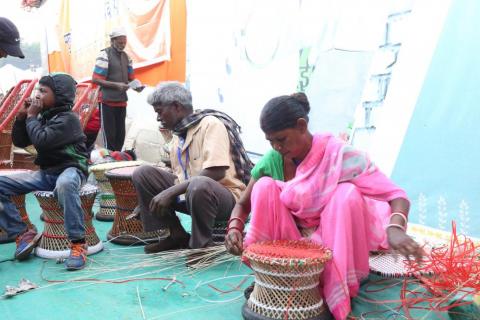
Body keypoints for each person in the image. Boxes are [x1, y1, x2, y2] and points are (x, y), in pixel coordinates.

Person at [225, 93, 423, 320]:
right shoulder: (274, 159)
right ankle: (273, 275)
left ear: (302, 126)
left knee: (345, 194)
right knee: (264, 187)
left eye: (282, 139)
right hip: (291, 248)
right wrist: (234, 230)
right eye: (271, 142)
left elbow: (395, 195)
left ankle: (333, 286)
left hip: (332, 250)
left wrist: (395, 228)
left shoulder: (338, 155)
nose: (277, 147)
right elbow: (244, 203)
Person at [132, 81, 252, 257]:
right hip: (194, 195)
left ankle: (201, 247)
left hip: (225, 198)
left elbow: (216, 171)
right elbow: (179, 177)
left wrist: (168, 193)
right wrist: (148, 197)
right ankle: (176, 234)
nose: (158, 118)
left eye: (159, 112)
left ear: (176, 107)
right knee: (143, 174)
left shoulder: (210, 124)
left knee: (199, 183)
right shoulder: (179, 134)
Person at [0, 73, 90, 271]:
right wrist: (22, 117)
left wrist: (31, 116)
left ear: (59, 95)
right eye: (37, 89)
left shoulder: (68, 119)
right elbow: (21, 141)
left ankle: (78, 243)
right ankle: (22, 233)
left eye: (43, 90)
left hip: (72, 169)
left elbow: (42, 141)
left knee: (65, 184)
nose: (37, 94)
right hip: (47, 173)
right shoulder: (43, 115)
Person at [92, 26, 143, 152]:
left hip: (121, 101)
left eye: (124, 43)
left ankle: (117, 160)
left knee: (120, 136)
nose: (122, 45)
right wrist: (117, 85)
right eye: (120, 42)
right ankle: (110, 162)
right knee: (110, 136)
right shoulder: (105, 54)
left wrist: (137, 86)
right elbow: (96, 79)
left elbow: (131, 78)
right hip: (107, 101)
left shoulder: (127, 57)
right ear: (112, 41)